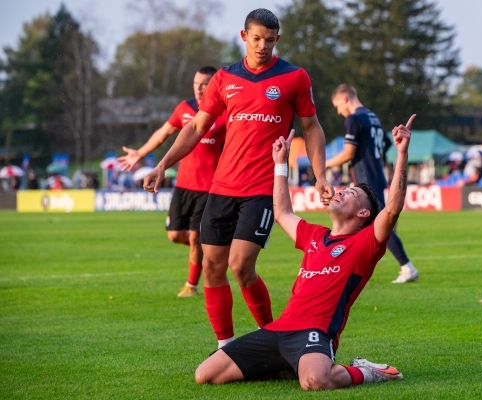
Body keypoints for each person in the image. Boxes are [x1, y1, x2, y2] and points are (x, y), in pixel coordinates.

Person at [143, 9, 334, 348]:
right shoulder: (224, 79)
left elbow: (312, 127)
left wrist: (320, 175)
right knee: (213, 267)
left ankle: (278, 339)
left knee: (241, 265)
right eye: (257, 38)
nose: (263, 46)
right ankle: (225, 347)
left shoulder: (294, 77)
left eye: (270, 40)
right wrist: (163, 164)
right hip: (221, 188)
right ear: (244, 36)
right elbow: (196, 127)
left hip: (263, 189)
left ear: (278, 39)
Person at [194, 115, 415, 390]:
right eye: (343, 189)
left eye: (351, 194)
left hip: (315, 333)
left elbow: (392, 208)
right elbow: (282, 213)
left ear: (363, 213)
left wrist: (402, 153)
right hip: (277, 330)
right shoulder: (314, 234)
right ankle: (286, 365)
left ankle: (367, 371)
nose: (340, 192)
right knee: (205, 375)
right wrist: (280, 165)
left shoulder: (366, 243)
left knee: (315, 381)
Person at [118, 66, 227, 297]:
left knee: (196, 236)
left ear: (214, 85)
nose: (199, 88)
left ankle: (191, 285)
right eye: (196, 83)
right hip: (184, 185)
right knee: (176, 235)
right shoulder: (184, 108)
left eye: (205, 83)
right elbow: (163, 133)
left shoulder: (225, 111)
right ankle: (210, 251)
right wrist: (139, 153)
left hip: (210, 187)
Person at [325, 84, 418, 283]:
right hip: (376, 176)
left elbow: (349, 153)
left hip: (365, 180)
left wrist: (323, 165)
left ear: (344, 99)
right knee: (372, 224)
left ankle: (407, 267)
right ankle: (352, 267)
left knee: (378, 224)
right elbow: (384, 143)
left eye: (337, 106)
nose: (338, 111)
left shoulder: (354, 118)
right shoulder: (373, 117)